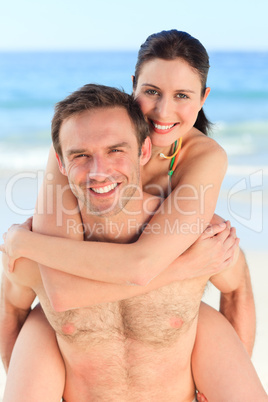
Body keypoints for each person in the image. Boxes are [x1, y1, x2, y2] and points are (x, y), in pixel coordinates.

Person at [1, 85, 267, 402]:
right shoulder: (37, 250)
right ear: (60, 163)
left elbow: (238, 290)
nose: (99, 172)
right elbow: (11, 311)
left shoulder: (197, 238)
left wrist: (225, 376)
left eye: (116, 150)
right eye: (81, 155)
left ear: (143, 152)